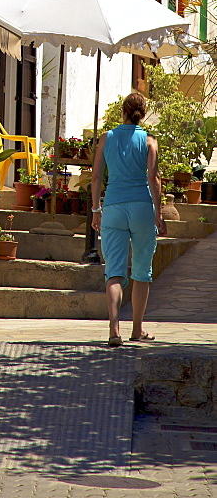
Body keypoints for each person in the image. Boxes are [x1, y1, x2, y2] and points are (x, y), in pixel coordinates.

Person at [91, 92, 167, 347]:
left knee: (114, 271)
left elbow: (95, 177)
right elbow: (153, 178)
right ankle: (137, 329)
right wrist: (158, 212)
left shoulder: (107, 138)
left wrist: (95, 209)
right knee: (142, 270)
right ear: (143, 114)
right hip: (142, 208)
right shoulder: (149, 140)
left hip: (112, 206)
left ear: (123, 111)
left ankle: (114, 331)